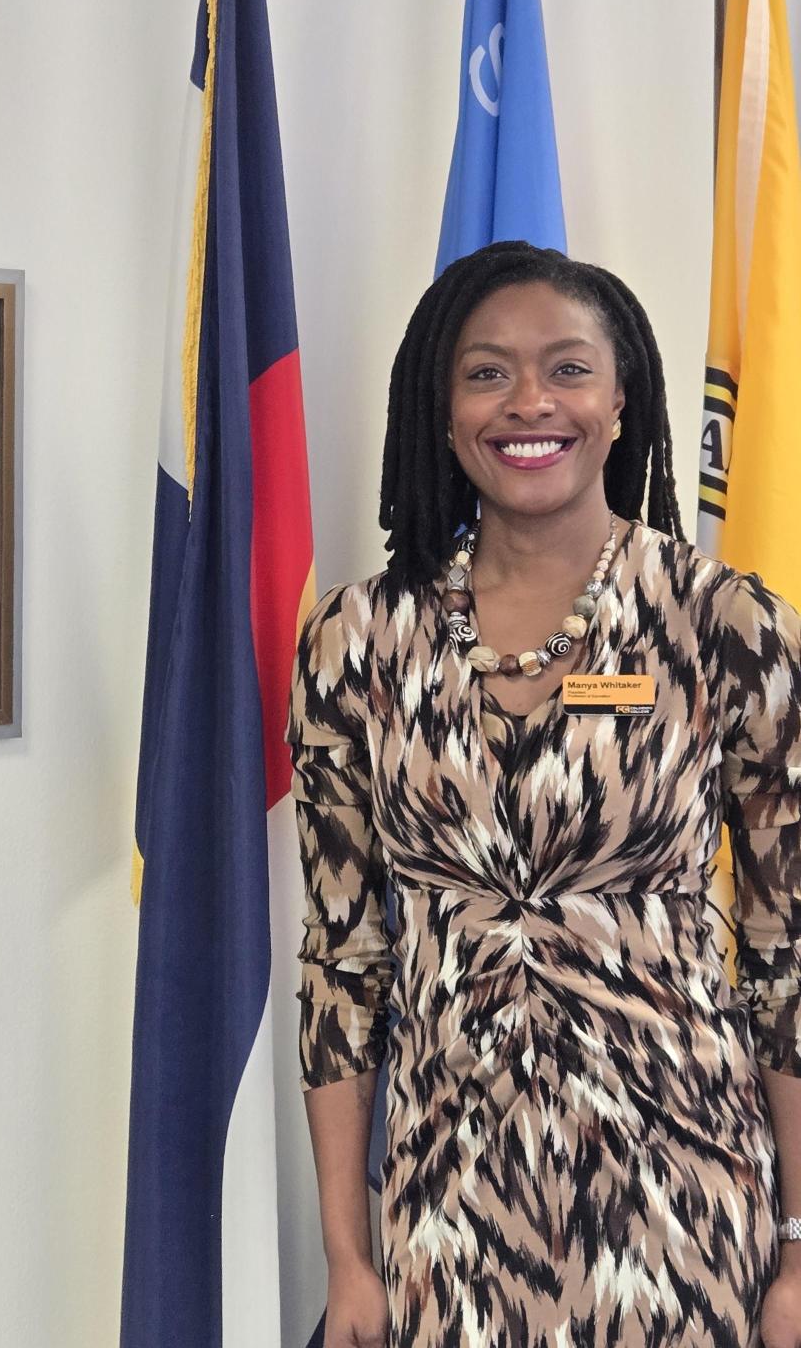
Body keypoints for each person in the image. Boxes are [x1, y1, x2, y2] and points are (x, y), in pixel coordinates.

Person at [288, 241, 801, 1348]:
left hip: (682, 1210)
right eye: (487, 373)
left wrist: (799, 1248)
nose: (529, 401)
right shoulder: (355, 639)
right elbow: (339, 960)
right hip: (448, 1212)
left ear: (620, 401)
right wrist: (347, 1254)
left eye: (568, 368)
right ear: (441, 411)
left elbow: (784, 954)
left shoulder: (723, 625)